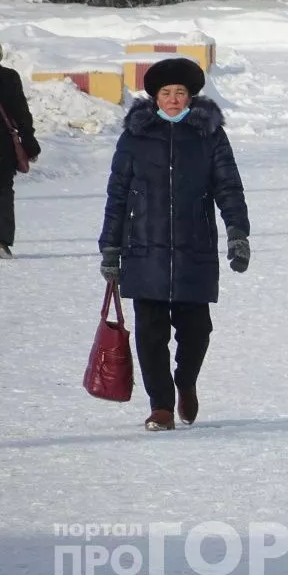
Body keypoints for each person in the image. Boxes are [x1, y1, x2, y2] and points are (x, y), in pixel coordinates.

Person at [98, 58, 250, 431]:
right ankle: (161, 406)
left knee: (197, 330)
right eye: (166, 93)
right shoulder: (135, 136)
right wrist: (111, 248)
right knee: (150, 334)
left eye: (180, 92)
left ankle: (185, 380)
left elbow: (228, 187)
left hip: (194, 246)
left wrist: (237, 232)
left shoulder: (209, 135)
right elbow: (117, 194)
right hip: (143, 248)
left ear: (190, 96)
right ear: (155, 97)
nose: (173, 99)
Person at [0, 37, 41, 259]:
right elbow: (21, 113)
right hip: (1, 145)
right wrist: (29, 143)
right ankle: (0, 241)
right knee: (2, 190)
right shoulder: (8, 77)